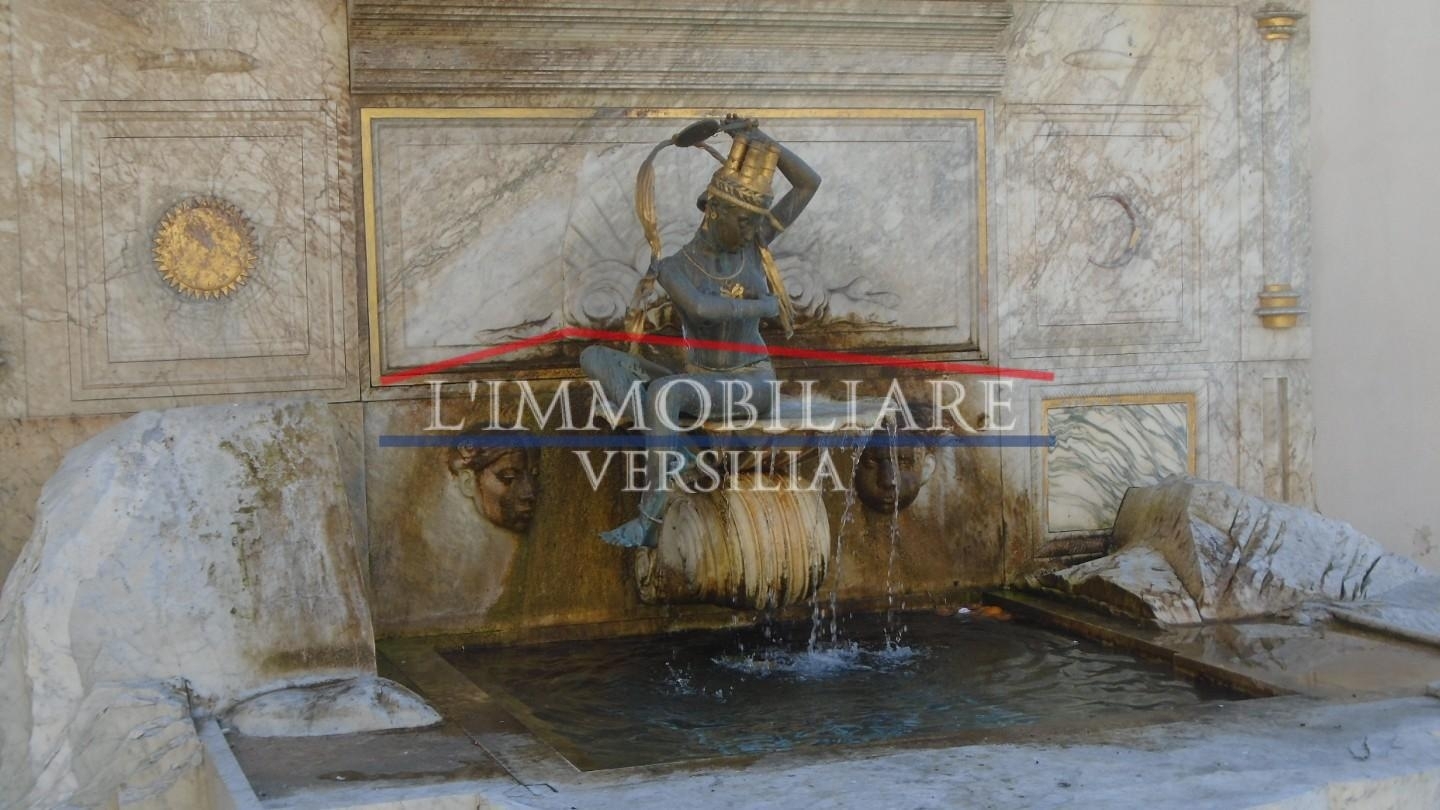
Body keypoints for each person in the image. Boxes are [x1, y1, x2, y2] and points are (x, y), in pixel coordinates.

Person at [580, 118, 821, 548]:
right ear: (714, 209)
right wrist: (764, 306)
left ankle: (650, 519)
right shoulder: (673, 268)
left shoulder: (754, 244)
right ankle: (681, 453)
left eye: (754, 222)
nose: (750, 231)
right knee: (595, 357)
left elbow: (808, 184)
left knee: (666, 394)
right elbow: (701, 308)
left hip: (751, 383)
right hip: (704, 381)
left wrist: (758, 141)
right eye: (743, 221)